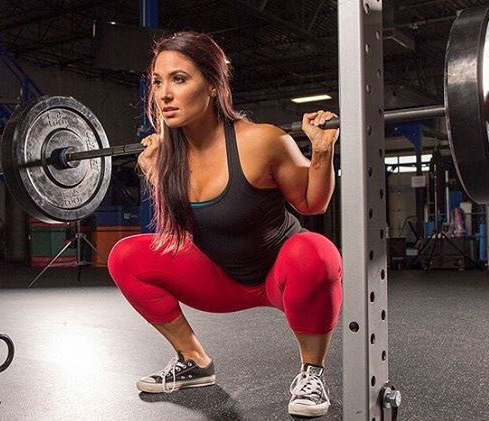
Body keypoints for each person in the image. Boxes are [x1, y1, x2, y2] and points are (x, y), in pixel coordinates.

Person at [107, 31, 342, 418]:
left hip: (280, 277)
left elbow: (311, 203)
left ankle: (311, 372)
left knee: (316, 252)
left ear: (213, 85)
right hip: (221, 279)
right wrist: (154, 175)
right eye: (157, 81)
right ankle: (194, 361)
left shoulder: (261, 141)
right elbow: (189, 225)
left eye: (179, 79)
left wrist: (321, 150)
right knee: (127, 257)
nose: (164, 94)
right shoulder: (166, 156)